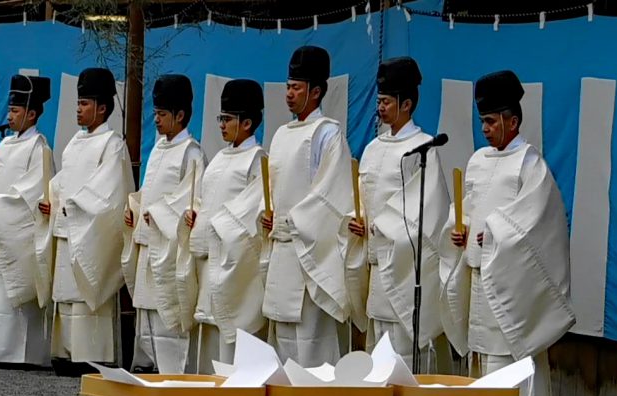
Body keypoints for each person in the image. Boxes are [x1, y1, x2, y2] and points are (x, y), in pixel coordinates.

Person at [439, 70, 575, 396]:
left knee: (507, 337)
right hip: (479, 265)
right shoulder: (478, 160)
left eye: (491, 121)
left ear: (513, 121)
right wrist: (457, 226)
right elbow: (465, 206)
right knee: (483, 342)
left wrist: (496, 233)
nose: (485, 129)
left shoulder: (528, 163)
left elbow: (536, 218)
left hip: (508, 268)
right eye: (482, 121)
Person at [348, 57, 456, 372]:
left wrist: (384, 230)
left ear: (406, 104)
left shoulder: (423, 147)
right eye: (379, 101)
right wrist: (358, 220)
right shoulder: (372, 148)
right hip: (376, 261)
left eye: (386, 102)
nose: (380, 108)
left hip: (405, 263)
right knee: (379, 335)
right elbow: (362, 196)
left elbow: (428, 211)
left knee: (403, 339)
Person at [260, 46, 355, 368]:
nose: (288, 94)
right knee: (283, 330)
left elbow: (332, 194)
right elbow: (270, 188)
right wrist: (267, 214)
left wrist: (296, 222)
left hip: (309, 248)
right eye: (287, 87)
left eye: (296, 88)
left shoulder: (327, 133)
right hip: (281, 246)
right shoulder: (281, 134)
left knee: (311, 334)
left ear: (315, 91)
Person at [36, 68, 134, 376]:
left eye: (85, 103)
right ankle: (64, 352)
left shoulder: (112, 144)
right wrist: (51, 198)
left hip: (88, 231)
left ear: (102, 108)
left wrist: (76, 207)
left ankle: (91, 354)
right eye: (78, 103)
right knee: (66, 293)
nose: (79, 109)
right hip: (68, 228)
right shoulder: (74, 144)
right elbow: (63, 180)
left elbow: (111, 194)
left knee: (85, 292)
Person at [0, 75, 54, 368]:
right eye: (10, 109)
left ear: (31, 114)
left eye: (16, 111)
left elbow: (33, 192)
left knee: (14, 294)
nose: (10, 115)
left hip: (17, 235)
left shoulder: (39, 148)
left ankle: (20, 354)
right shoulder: (3, 146)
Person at [123, 74, 207, 374]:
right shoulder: (159, 148)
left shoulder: (191, 152)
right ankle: (149, 366)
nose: (156, 120)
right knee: (147, 311)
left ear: (180, 115)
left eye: (162, 114)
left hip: (170, 248)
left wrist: (160, 215)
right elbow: (151, 189)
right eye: (155, 113)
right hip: (148, 242)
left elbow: (193, 201)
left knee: (166, 314)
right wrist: (135, 206)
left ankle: (172, 371)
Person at [182, 79, 267, 372]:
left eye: (227, 119)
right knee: (208, 321)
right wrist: (196, 216)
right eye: (221, 118)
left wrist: (218, 228)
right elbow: (206, 200)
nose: (221, 124)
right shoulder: (218, 158)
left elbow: (251, 214)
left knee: (230, 324)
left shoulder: (257, 160)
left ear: (246, 123)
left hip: (233, 261)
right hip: (209, 258)